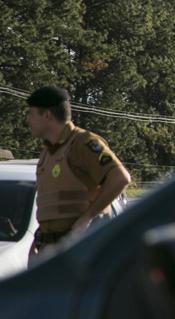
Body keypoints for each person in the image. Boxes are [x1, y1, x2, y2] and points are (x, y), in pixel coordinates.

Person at [24, 86, 131, 259]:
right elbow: (50, 208)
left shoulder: (82, 143)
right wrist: (37, 243)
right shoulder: (47, 153)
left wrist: (87, 217)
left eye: (31, 113)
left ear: (47, 115)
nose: (28, 120)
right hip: (53, 252)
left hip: (83, 250)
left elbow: (121, 178)